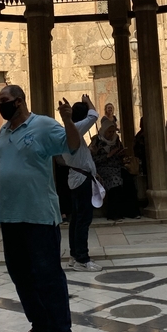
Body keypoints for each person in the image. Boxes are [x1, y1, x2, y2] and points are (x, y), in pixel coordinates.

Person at [0, 84, 82, 332]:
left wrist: (68, 121)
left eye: (4, 101)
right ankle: (40, 328)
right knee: (21, 275)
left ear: (18, 101)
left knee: (47, 276)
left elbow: (72, 145)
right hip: (10, 216)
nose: (1, 106)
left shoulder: (43, 125)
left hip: (38, 216)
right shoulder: (4, 132)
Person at [65, 95, 102, 272]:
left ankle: (74, 255)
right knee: (83, 220)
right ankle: (82, 258)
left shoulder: (70, 130)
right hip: (81, 180)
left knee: (76, 219)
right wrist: (88, 101)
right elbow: (95, 116)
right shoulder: (76, 128)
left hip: (76, 178)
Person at [91, 117, 140, 221]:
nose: (111, 134)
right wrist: (108, 155)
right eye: (109, 131)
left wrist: (121, 154)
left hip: (117, 166)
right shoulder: (96, 141)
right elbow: (93, 159)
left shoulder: (116, 140)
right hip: (104, 169)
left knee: (128, 179)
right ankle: (114, 214)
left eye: (113, 131)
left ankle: (131, 212)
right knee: (115, 181)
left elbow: (121, 153)